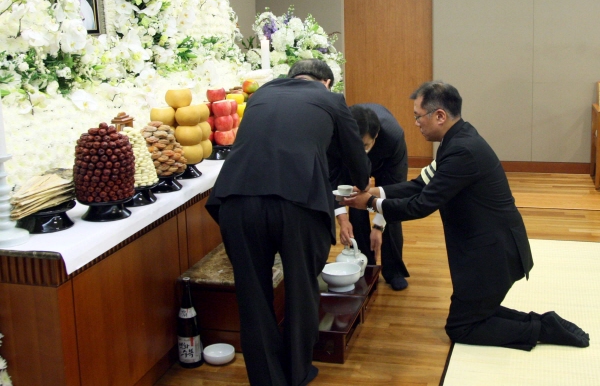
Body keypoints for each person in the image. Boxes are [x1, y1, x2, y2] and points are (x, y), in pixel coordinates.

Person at [342, 81, 590, 350]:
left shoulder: (462, 151)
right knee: (473, 317)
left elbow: (421, 205)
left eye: (418, 116)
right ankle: (544, 322)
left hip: (492, 253)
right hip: (483, 247)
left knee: (461, 328)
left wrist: (371, 204)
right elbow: (419, 184)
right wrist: (374, 190)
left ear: (439, 116)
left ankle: (542, 328)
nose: (416, 123)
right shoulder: (457, 139)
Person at [205, 59, 371, 385]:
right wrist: (360, 183)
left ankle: (267, 380)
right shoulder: (331, 99)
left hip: (237, 201)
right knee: (301, 290)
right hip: (298, 203)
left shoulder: (260, 95)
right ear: (326, 82)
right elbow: (357, 161)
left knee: (252, 296)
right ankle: (297, 373)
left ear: (291, 76)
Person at [332, 103, 410, 291]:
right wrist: (342, 219)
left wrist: (378, 226)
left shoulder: (393, 137)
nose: (360, 151)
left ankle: (394, 270)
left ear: (376, 137)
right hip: (348, 162)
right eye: (356, 145)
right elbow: (331, 179)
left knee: (390, 212)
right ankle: (366, 268)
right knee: (356, 202)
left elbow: (394, 190)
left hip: (385, 165)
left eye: (365, 145)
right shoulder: (336, 134)